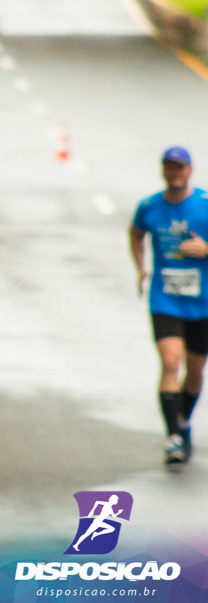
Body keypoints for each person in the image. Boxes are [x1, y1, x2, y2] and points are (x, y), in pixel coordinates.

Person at [129, 146, 208, 467]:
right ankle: (174, 435)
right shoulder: (148, 206)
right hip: (165, 298)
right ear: (163, 170)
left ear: (189, 170)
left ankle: (183, 421)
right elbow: (135, 234)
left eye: (179, 167)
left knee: (195, 370)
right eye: (168, 167)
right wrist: (141, 267)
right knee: (171, 362)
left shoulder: (204, 204)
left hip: (203, 302)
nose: (174, 172)